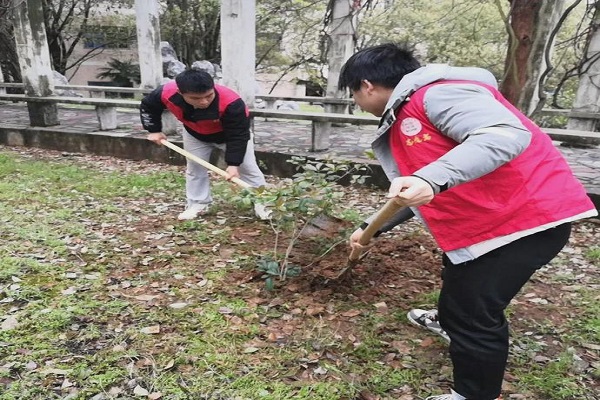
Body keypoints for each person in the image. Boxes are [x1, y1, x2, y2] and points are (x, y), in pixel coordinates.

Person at [338, 43, 598, 400]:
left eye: (353, 94)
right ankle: (449, 322)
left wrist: (433, 178)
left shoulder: (439, 94)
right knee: (460, 279)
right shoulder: (410, 108)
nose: (357, 103)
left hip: (524, 221)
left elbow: (503, 134)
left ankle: (473, 393)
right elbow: (413, 190)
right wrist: (372, 227)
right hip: (488, 221)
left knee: (473, 312)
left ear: (366, 85)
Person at [140, 69, 270, 220]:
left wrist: (233, 164)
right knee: (195, 168)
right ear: (180, 93)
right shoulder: (166, 92)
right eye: (195, 98)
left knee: (248, 168)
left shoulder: (231, 102)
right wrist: (154, 130)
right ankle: (198, 204)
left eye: (209, 96)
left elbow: (238, 135)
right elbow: (148, 106)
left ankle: (264, 203)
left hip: (230, 136)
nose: (204, 101)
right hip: (195, 134)